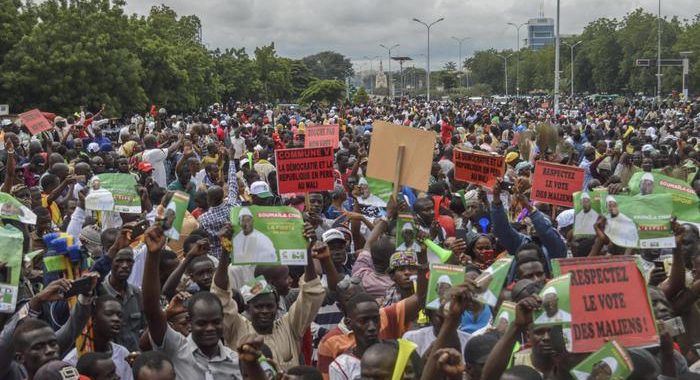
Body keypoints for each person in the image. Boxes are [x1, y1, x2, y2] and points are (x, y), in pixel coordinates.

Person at [212, 222, 326, 371]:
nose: (264, 311)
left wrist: (306, 252)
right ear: (248, 307)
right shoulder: (236, 327)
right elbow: (221, 295)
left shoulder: (290, 326)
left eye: (269, 306)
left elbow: (311, 292)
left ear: (277, 306)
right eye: (259, 306)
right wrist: (226, 249)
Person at [141, 224, 244, 380]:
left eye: (216, 322)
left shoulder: (237, 363)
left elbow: (222, 288)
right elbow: (152, 309)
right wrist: (153, 254)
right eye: (202, 323)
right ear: (190, 321)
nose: (210, 328)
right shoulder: (176, 348)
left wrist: (226, 247)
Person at [63, 295, 134, 380]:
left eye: (119, 315)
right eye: (109, 314)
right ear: (93, 318)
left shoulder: (123, 354)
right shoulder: (72, 361)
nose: (116, 319)